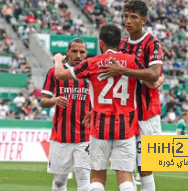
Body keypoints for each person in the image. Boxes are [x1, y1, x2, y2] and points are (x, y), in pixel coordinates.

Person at [54, 23, 159, 191]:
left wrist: (58, 60)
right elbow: (152, 82)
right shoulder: (132, 62)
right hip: (126, 127)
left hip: (99, 126)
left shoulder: (92, 63)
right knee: (125, 178)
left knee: (97, 177)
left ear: (101, 43)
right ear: (120, 42)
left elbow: (59, 75)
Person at [98, 0, 164, 191]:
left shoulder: (153, 43)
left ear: (143, 20)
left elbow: (153, 74)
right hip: (124, 114)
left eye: (133, 17)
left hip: (147, 114)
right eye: (126, 16)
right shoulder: (122, 43)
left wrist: (124, 71)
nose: (128, 21)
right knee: (124, 167)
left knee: (146, 168)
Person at [41, 38, 91, 191]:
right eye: (74, 51)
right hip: (61, 135)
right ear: (67, 52)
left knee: (83, 176)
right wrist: (54, 100)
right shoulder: (55, 71)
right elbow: (43, 101)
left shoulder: (91, 73)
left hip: (85, 135)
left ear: (86, 54)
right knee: (59, 181)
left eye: (82, 52)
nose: (78, 55)